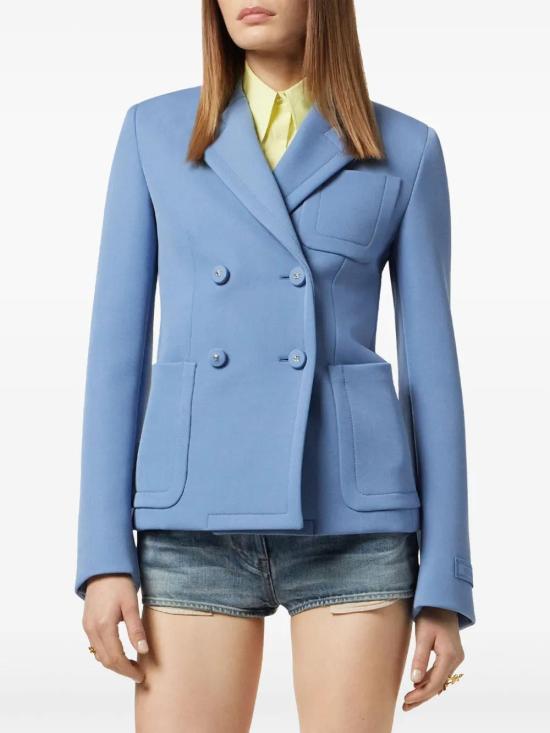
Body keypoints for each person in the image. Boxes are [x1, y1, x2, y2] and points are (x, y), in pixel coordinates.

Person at [75, 1, 475, 730]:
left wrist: (445, 583)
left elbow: (433, 375)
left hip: (354, 521)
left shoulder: (405, 148)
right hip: (193, 520)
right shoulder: (154, 133)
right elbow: (115, 358)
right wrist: (103, 555)